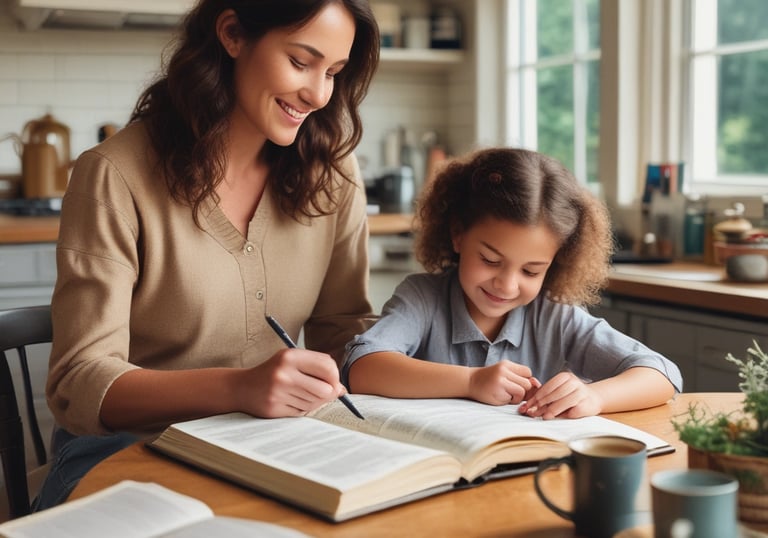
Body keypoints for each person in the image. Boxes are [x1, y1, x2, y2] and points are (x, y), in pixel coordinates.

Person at [36, 0, 379, 510]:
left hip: (269, 448)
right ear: (233, 33)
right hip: (125, 454)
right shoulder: (114, 174)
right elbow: (79, 381)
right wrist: (239, 388)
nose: (318, 94)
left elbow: (345, 333)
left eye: (333, 72)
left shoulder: (332, 173)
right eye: (300, 62)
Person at [343, 147, 683, 419]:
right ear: (458, 234)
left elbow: (663, 374)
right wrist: (471, 381)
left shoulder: (555, 315)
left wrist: (595, 396)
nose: (506, 286)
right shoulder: (422, 298)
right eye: (490, 260)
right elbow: (362, 367)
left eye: (531, 271)